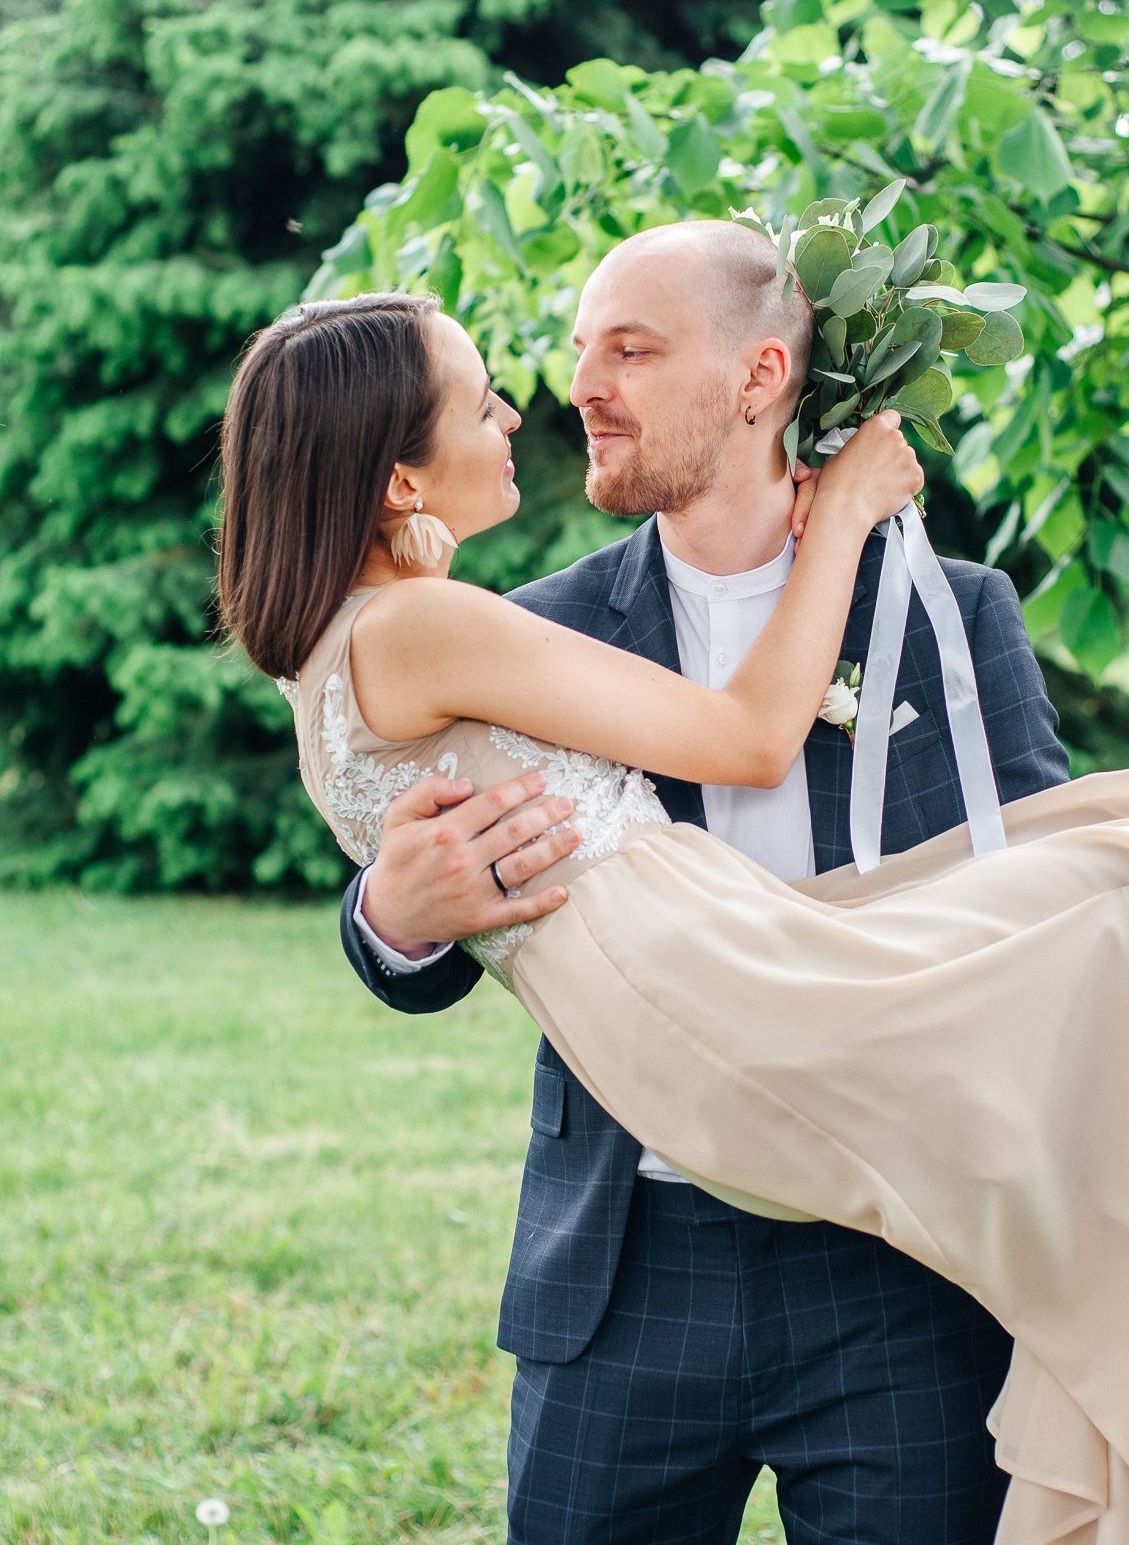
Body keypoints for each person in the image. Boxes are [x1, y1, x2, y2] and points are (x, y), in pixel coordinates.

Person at [219, 234, 1128, 1545]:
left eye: (629, 350)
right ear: (399, 474)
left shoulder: (949, 609)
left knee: (1086, 889)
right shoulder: (517, 619)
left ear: (760, 377)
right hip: (629, 1259)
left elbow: (1007, 863)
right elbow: (727, 746)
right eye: (561, 357)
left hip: (886, 1271)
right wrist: (392, 919)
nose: (568, 390)